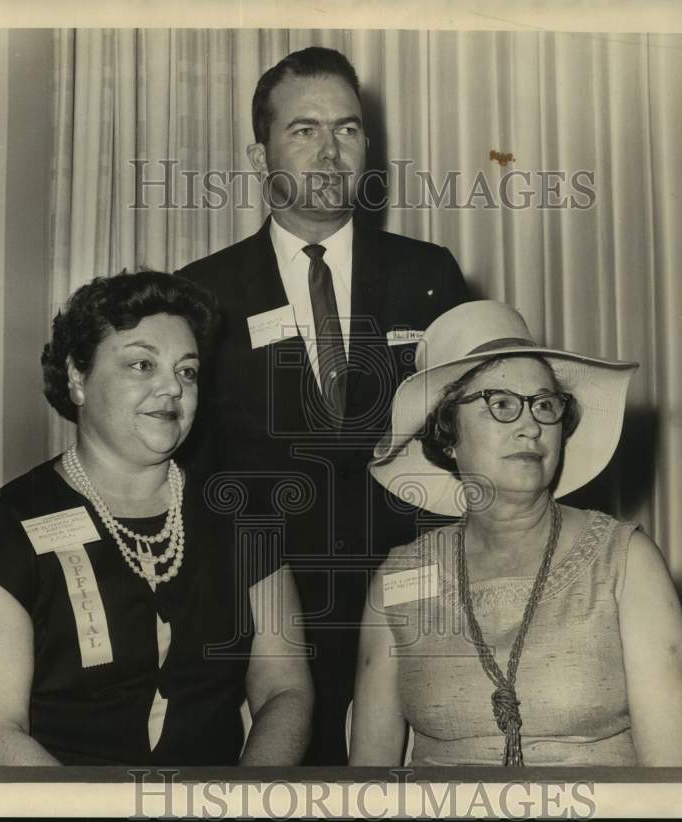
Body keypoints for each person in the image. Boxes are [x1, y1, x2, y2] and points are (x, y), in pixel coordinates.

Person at [176, 46, 470, 764]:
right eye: (303, 130)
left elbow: (465, 439)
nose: (330, 150)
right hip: (267, 619)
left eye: (348, 129)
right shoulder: (199, 294)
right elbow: (192, 470)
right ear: (260, 152)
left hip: (416, 601)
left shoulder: (428, 274)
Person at [0, 271, 312, 766]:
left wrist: (241, 804)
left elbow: (285, 692)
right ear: (77, 376)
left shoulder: (245, 518)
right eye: (142, 364)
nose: (172, 389)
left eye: (187, 371)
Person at [351, 300, 682, 767]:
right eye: (503, 405)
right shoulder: (398, 579)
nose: (531, 426)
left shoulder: (627, 562)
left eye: (545, 405)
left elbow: (672, 789)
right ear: (447, 433)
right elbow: (369, 786)